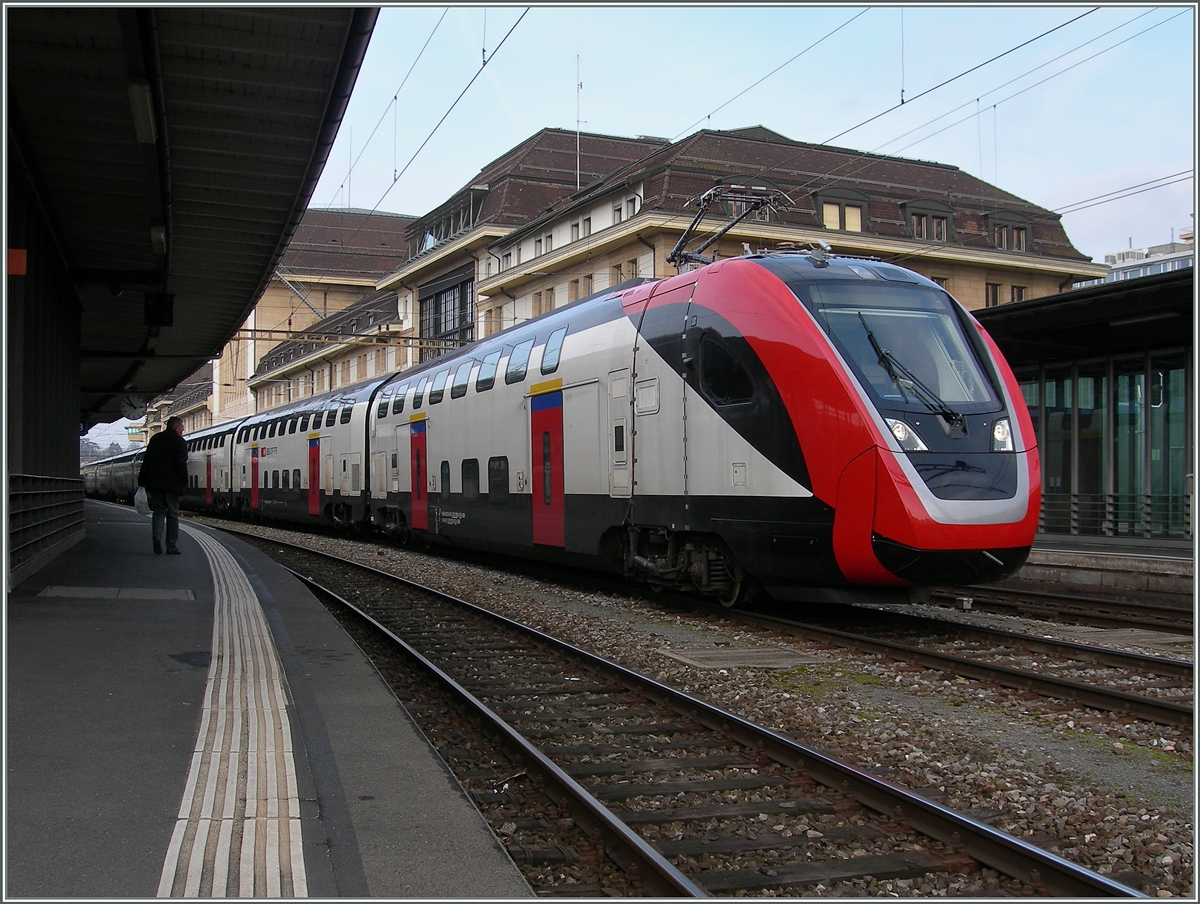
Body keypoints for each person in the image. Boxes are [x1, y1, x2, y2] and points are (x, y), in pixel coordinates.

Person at [138, 416, 188, 555]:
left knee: (159, 512)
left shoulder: (155, 439)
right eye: (182, 427)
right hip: (172, 485)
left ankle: (157, 536)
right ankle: (171, 546)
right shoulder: (180, 442)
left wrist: (142, 480)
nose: (183, 430)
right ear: (176, 427)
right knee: (172, 514)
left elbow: (146, 461)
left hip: (155, 484)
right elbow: (181, 466)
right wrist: (183, 485)